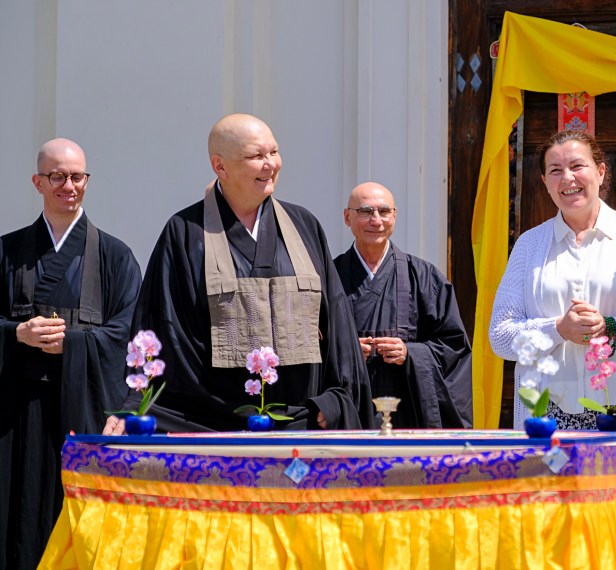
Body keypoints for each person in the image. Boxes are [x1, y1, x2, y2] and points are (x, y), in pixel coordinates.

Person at [103, 114, 373, 434]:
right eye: (257, 155)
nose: (271, 164)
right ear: (220, 166)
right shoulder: (185, 233)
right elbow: (161, 328)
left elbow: (336, 321)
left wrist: (335, 400)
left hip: (301, 417)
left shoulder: (304, 226)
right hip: (210, 419)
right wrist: (136, 401)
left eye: (274, 152)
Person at [490, 130, 616, 440]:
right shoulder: (529, 245)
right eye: (555, 170)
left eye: (577, 166)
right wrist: (558, 329)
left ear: (600, 171)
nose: (567, 178)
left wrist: (611, 327)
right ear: (545, 182)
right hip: (548, 423)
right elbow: (501, 336)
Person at [0, 138, 141, 569]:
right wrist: (17, 333)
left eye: (77, 176)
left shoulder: (115, 256)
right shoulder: (7, 251)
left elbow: (130, 333)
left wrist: (75, 343)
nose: (69, 186)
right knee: (19, 518)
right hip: (16, 412)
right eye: (57, 176)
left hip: (85, 407)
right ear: (38, 182)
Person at [334, 182, 472, 429]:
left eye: (384, 211)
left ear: (394, 216)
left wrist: (410, 353)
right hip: (349, 408)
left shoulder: (424, 277)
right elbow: (311, 342)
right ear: (347, 217)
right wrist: (345, 351)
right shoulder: (329, 277)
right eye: (365, 211)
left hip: (409, 410)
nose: (376, 220)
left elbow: (454, 346)